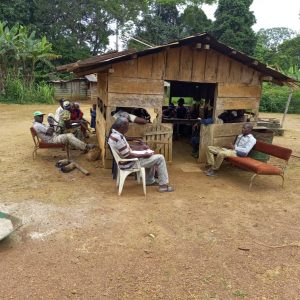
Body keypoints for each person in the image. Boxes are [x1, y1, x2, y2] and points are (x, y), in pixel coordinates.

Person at [108, 117, 174, 193]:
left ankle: (149, 181)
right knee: (160, 158)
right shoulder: (118, 138)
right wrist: (144, 154)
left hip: (126, 161)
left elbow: (127, 149)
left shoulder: (115, 135)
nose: (128, 128)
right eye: (127, 126)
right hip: (130, 163)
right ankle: (163, 186)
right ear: (122, 127)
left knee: (150, 155)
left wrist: (141, 148)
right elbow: (128, 155)